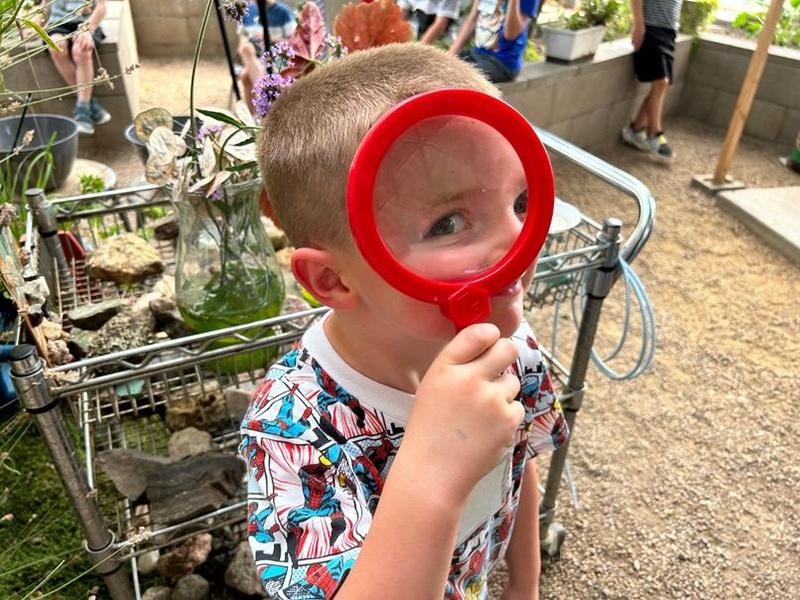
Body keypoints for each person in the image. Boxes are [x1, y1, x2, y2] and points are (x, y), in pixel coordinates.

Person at [239, 43, 568, 599]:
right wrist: (431, 476)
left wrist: (525, 586)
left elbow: (517, 461)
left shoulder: (511, 346)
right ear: (332, 280)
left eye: (520, 201)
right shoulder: (291, 430)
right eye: (449, 223)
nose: (518, 243)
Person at [620, 0, 681, 160]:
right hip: (650, 27)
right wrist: (639, 25)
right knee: (661, 82)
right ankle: (654, 133)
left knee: (662, 86)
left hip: (669, 31)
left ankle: (635, 130)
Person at [46, 0, 110, 135]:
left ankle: (82, 111)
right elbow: (44, 5)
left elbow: (101, 7)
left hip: (87, 22)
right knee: (56, 47)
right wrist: (32, 25)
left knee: (81, 50)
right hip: (58, 22)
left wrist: (86, 30)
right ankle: (88, 104)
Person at [448, 0, 538, 84]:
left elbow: (510, 35)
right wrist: (449, 56)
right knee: (446, 69)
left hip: (502, 63)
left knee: (459, 77)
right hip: (477, 54)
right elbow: (472, 20)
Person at [237, 0, 298, 110]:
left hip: (278, 61)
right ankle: (264, 93)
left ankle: (257, 112)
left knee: (245, 76)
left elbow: (294, 44)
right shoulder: (247, 11)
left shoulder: (283, 13)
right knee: (246, 49)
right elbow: (243, 37)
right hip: (254, 57)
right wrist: (245, 42)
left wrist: (269, 38)